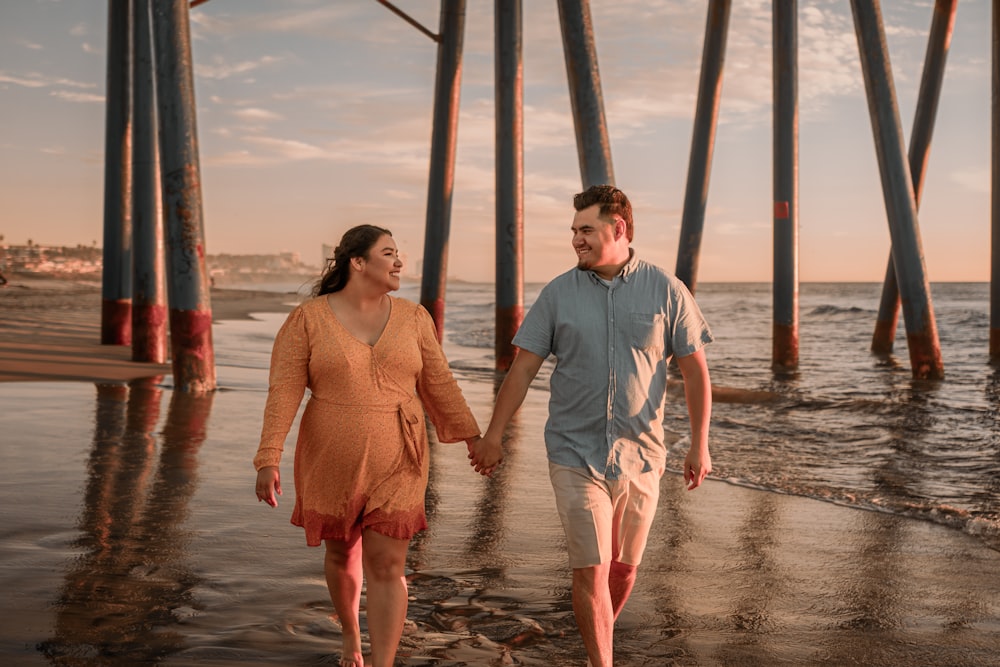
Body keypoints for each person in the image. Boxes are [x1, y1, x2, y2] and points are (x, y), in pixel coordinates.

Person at [470, 185, 713, 667]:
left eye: (586, 229)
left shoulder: (667, 289)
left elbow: (695, 372)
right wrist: (493, 435)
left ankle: (595, 642)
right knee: (591, 569)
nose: (576, 240)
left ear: (617, 229)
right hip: (574, 454)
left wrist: (700, 446)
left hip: (643, 456)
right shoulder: (558, 293)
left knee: (622, 571)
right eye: (574, 231)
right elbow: (522, 369)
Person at [254, 224, 481, 667]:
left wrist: (474, 439)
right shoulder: (308, 318)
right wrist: (268, 458)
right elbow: (283, 391)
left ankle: (383, 662)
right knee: (342, 553)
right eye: (388, 253)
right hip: (329, 454)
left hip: (401, 453)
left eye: (398, 254)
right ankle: (352, 638)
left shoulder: (415, 318)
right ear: (357, 262)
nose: (399, 262)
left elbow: (440, 385)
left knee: (386, 565)